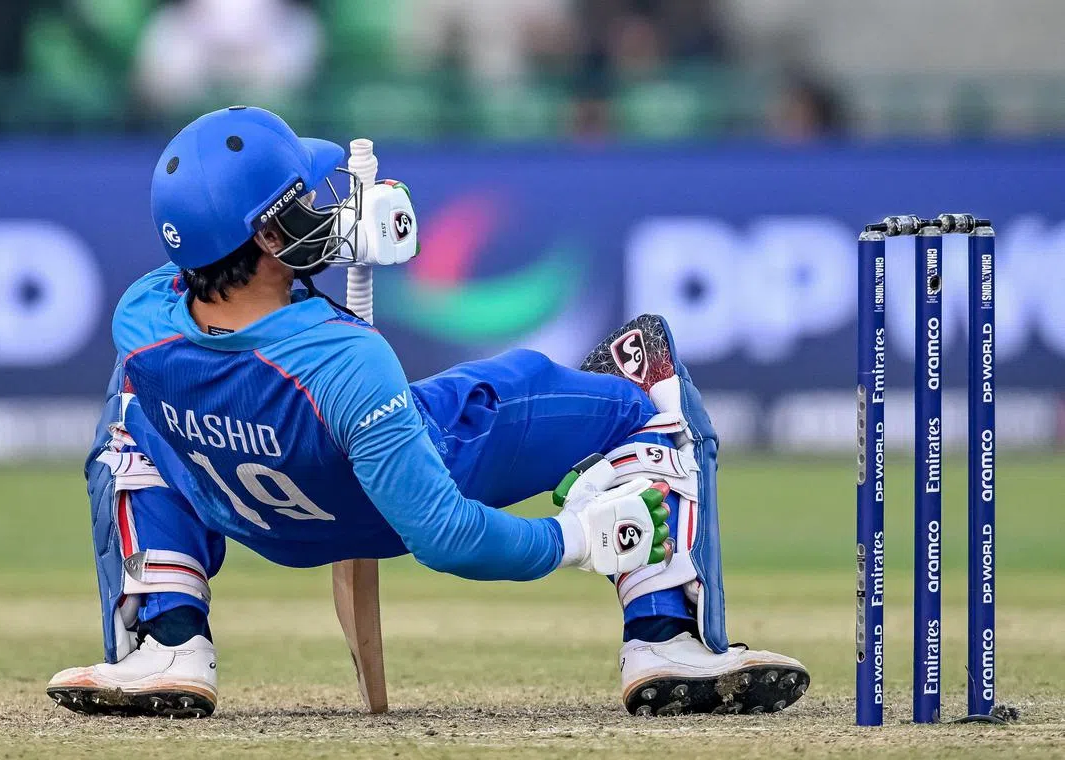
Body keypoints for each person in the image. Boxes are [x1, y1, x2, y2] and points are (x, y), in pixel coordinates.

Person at [47, 106, 809, 719]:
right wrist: (577, 539)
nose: (322, 205)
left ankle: (167, 637)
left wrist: (333, 239)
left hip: (260, 521)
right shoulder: (348, 361)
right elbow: (445, 536)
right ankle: (666, 637)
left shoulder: (140, 320)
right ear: (272, 234)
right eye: (308, 201)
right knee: (642, 372)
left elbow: (217, 269)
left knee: (128, 411)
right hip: (402, 489)